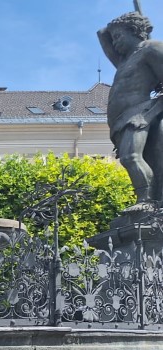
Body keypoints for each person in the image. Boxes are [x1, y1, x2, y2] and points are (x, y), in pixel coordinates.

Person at [98, 11, 163, 210]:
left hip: (139, 114)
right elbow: (102, 34)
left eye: (118, 36)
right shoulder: (124, 61)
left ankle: (146, 202)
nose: (115, 43)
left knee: (130, 157)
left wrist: (149, 115)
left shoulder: (151, 48)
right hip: (120, 119)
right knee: (132, 159)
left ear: (134, 31)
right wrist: (117, 29)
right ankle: (147, 201)